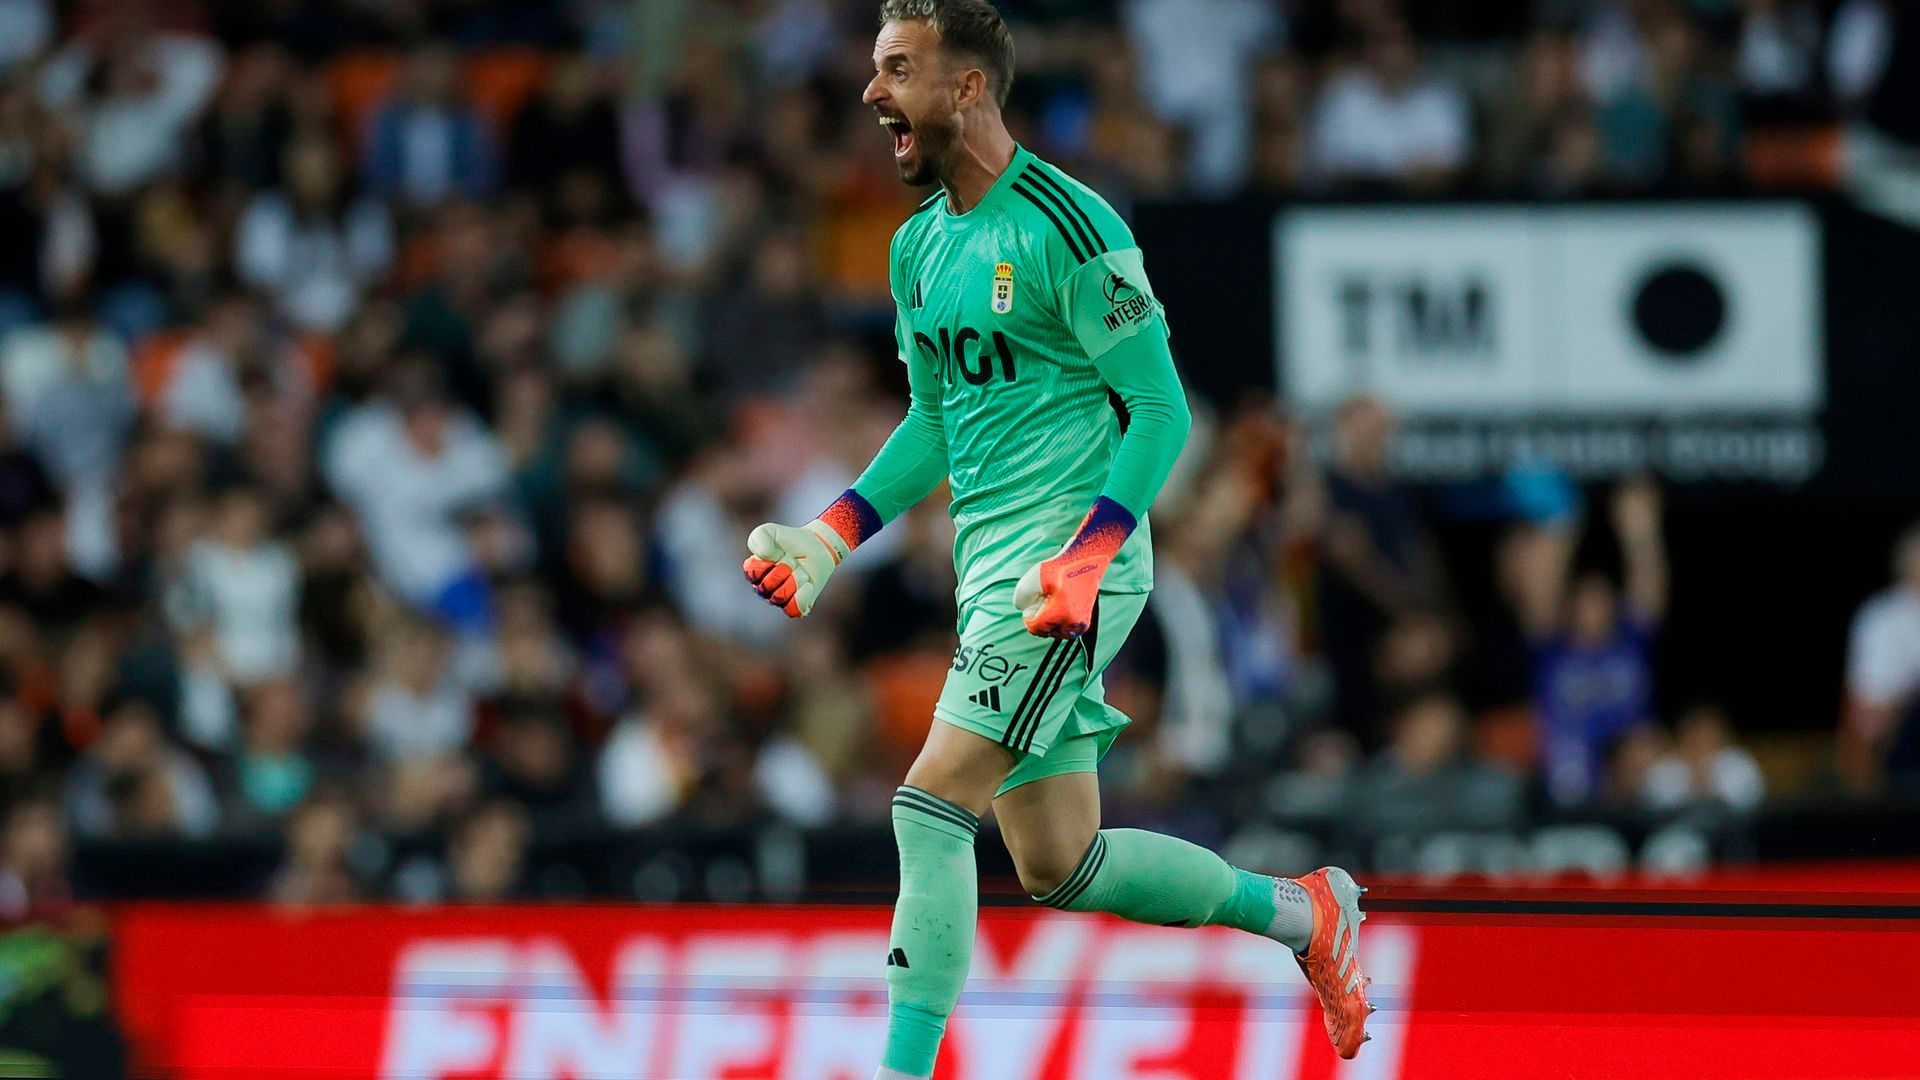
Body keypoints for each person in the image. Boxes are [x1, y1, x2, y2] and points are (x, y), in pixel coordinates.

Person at [738, 5, 1371, 1076]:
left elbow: (1160, 409)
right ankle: (1305, 915)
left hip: (1068, 568)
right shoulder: (917, 246)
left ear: (969, 88)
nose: (870, 93)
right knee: (1059, 863)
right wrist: (832, 533)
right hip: (993, 583)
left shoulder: (1072, 228)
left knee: (929, 805)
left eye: (897, 70)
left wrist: (1089, 553)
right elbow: (936, 420)